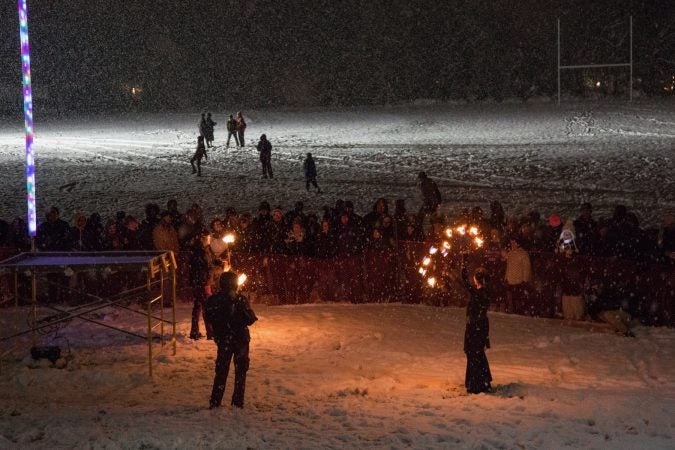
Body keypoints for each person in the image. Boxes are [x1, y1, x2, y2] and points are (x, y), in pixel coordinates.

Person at [205, 271, 258, 409]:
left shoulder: (214, 300)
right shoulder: (240, 299)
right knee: (240, 372)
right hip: (240, 339)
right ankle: (237, 402)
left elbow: (208, 316)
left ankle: (215, 401)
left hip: (224, 340)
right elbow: (250, 319)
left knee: (221, 371)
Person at [461, 264, 493, 394]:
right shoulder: (483, 292)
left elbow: (464, 282)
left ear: (477, 279)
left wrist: (464, 263)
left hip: (476, 327)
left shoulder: (480, 292)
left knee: (474, 354)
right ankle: (482, 381)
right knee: (477, 354)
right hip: (480, 326)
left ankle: (476, 384)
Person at [189, 230, 216, 340]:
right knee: (206, 307)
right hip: (202, 282)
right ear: (202, 238)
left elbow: (208, 264)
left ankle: (194, 331)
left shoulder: (205, 249)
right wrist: (205, 279)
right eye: (208, 237)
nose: (209, 239)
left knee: (198, 306)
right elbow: (201, 267)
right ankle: (210, 332)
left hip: (202, 282)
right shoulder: (199, 251)